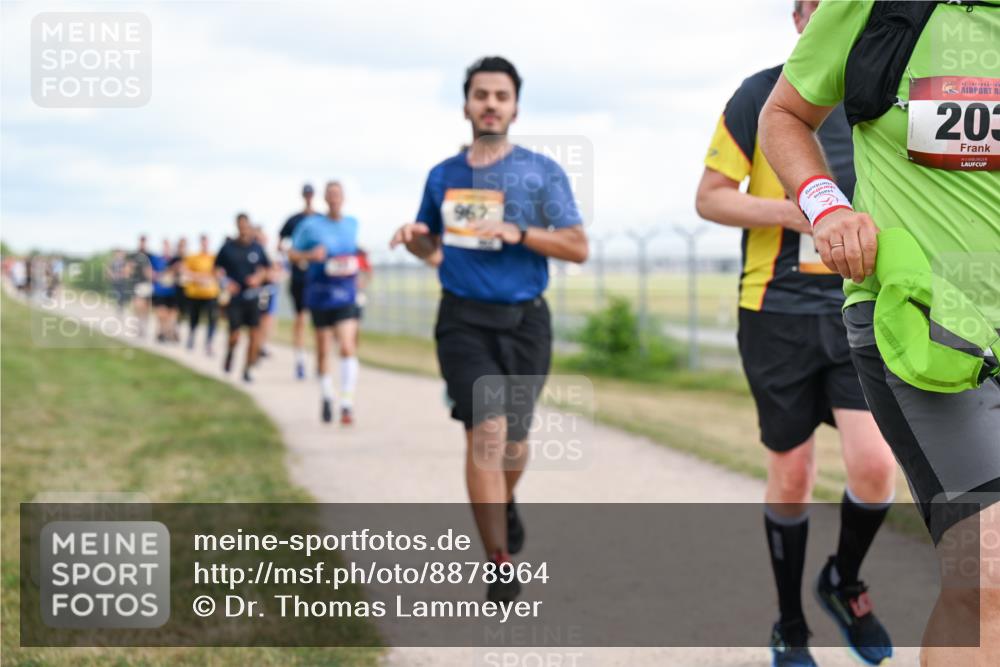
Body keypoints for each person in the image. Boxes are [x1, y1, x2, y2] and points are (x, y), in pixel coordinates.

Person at [759, 1, 1000, 665]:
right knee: (989, 571)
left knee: (977, 586)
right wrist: (826, 205)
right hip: (922, 323)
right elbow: (782, 115)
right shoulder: (871, 5)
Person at [695, 2, 897, 665]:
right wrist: (799, 207)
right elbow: (710, 196)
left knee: (874, 466)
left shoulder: (883, 94)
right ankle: (789, 623)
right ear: (799, 19)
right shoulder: (759, 96)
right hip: (774, 310)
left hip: (859, 307)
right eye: (818, 5)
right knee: (792, 475)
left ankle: (843, 578)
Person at [390, 56, 588, 603]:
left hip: (526, 322)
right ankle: (499, 561)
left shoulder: (541, 173)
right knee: (488, 434)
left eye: (501, 95)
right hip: (463, 320)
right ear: (466, 105)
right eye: (481, 95)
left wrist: (519, 232)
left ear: (515, 106)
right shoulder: (442, 176)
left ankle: (501, 502)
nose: (491, 104)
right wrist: (414, 239)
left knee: (515, 445)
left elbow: (577, 246)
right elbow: (434, 250)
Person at [288, 181, 361, 425]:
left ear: (344, 198)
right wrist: (310, 255)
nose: (334, 199)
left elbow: (354, 252)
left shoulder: (352, 224)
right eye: (330, 195)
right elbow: (292, 253)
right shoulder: (310, 226)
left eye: (338, 194)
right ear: (324, 198)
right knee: (323, 351)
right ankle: (327, 395)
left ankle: (347, 403)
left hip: (346, 293)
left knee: (348, 346)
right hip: (320, 293)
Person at [215, 213, 271, 382]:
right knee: (235, 336)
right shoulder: (228, 248)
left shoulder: (257, 248)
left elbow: (266, 269)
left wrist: (258, 278)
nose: (243, 229)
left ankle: (247, 369)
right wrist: (226, 283)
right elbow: (216, 270)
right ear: (237, 226)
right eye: (240, 226)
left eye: (246, 226)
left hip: (253, 297)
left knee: (254, 336)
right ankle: (230, 353)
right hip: (235, 298)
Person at [279, 184, 317, 379]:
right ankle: (300, 360)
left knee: (320, 321)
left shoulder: (321, 219)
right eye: (306, 194)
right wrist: (293, 256)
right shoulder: (293, 220)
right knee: (301, 319)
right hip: (300, 276)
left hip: (319, 276)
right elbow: (280, 243)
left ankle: (321, 361)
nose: (309, 197)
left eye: (311, 194)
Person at [182, 234, 220, 355]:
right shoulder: (193, 257)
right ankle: (191, 338)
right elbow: (185, 271)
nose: (205, 245)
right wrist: (198, 277)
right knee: (194, 318)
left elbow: (219, 272)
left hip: (210, 294)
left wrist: (208, 277)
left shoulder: (214, 258)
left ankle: (209, 342)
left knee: (212, 319)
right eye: (203, 242)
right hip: (196, 294)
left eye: (206, 242)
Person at [255, 226, 283, 359]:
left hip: (271, 291)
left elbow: (279, 270)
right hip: (261, 291)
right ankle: (258, 345)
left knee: (269, 320)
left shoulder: (270, 254)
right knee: (261, 319)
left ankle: (263, 345)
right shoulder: (255, 254)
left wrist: (274, 274)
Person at [150, 239, 179, 343]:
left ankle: (163, 333)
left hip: (172, 292)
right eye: (165, 246)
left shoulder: (174, 261)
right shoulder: (157, 259)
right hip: (160, 291)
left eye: (168, 247)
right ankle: (162, 333)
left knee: (170, 316)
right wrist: (158, 276)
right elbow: (150, 272)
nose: (166, 249)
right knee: (162, 314)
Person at [130, 235, 153, 337]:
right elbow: (129, 268)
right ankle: (139, 326)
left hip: (147, 284)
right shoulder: (134, 255)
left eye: (144, 241)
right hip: (137, 284)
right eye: (141, 241)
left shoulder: (150, 255)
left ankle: (144, 326)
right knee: (138, 306)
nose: (143, 243)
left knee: (146, 307)